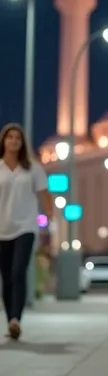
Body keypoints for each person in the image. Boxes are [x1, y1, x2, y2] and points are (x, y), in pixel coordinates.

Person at [0, 123, 52, 340]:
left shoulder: (33, 168)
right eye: (10, 137)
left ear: (22, 143)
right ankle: (10, 318)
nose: (14, 141)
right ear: (3, 141)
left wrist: (49, 223)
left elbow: (45, 197)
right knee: (6, 277)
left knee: (18, 272)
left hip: (26, 227)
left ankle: (16, 320)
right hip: (2, 229)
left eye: (17, 138)